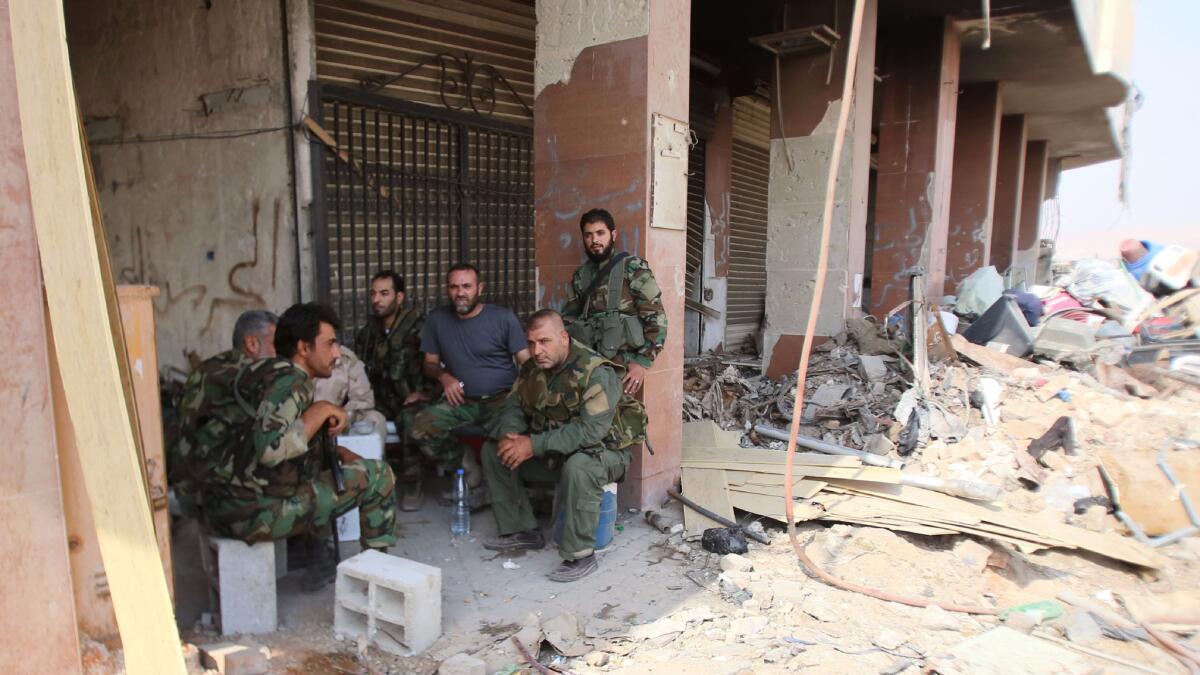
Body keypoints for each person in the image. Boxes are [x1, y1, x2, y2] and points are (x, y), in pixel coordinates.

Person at [180, 302, 397, 553]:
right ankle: (378, 576)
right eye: (330, 344)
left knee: (330, 470)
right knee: (379, 476)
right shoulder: (291, 382)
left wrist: (336, 453)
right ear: (304, 348)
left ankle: (310, 555)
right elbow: (271, 449)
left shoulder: (264, 373)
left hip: (222, 505)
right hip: (254, 516)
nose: (337, 354)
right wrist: (322, 409)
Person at [481, 309, 647, 582]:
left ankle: (580, 554)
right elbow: (513, 405)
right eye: (531, 343)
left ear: (564, 338)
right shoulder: (532, 369)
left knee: (579, 466)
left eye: (544, 342)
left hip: (604, 454)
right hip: (556, 450)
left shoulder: (596, 372)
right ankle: (522, 530)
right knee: (495, 450)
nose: (536, 350)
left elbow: (590, 431)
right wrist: (512, 435)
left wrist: (533, 445)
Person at [410, 263, 530, 503]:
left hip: (502, 401)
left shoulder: (503, 318)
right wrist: (444, 377)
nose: (460, 292)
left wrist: (522, 398)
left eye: (466, 286)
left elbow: (527, 364)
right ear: (447, 290)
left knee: (511, 444)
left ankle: (507, 496)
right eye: (454, 287)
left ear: (480, 288)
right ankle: (467, 465)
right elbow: (430, 364)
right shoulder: (437, 320)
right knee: (420, 428)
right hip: (462, 402)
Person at [352, 270, 446, 509]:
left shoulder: (419, 327)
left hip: (415, 399)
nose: (377, 299)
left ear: (400, 297)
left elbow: (439, 368)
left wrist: (425, 394)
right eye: (373, 293)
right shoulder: (368, 333)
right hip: (380, 401)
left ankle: (413, 484)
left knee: (408, 418)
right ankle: (367, 485)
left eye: (384, 293)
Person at [167, 309, 278, 512]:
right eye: (276, 345)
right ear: (252, 343)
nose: (280, 353)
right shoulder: (251, 380)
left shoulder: (208, 368)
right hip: (220, 496)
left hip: (189, 486)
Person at [561, 208, 667, 396]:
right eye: (588, 235)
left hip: (623, 371)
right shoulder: (580, 276)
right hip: (590, 368)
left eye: (600, 233)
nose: (595, 241)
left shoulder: (633, 268)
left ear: (613, 234)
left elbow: (657, 319)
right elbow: (569, 319)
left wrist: (642, 363)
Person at [312, 345, 387, 439]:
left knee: (376, 418)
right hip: (302, 425)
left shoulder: (345, 358)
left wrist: (342, 415)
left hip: (337, 421)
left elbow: (363, 399)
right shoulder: (296, 359)